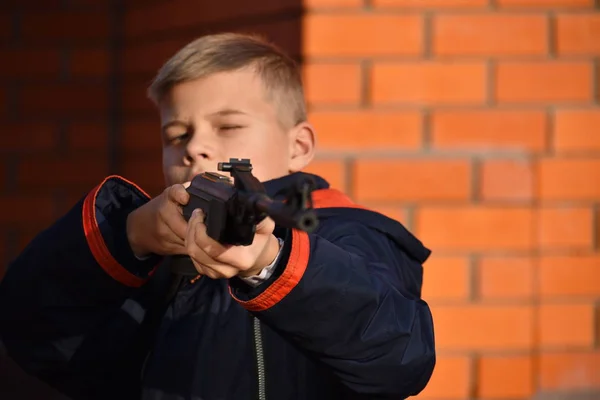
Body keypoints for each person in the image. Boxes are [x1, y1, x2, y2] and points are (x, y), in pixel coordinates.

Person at [0, 32, 435, 400]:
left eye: (227, 126)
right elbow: (35, 333)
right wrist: (129, 236)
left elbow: (399, 358)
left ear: (298, 147)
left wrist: (272, 266)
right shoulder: (152, 252)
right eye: (177, 134)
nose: (195, 147)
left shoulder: (350, 234)